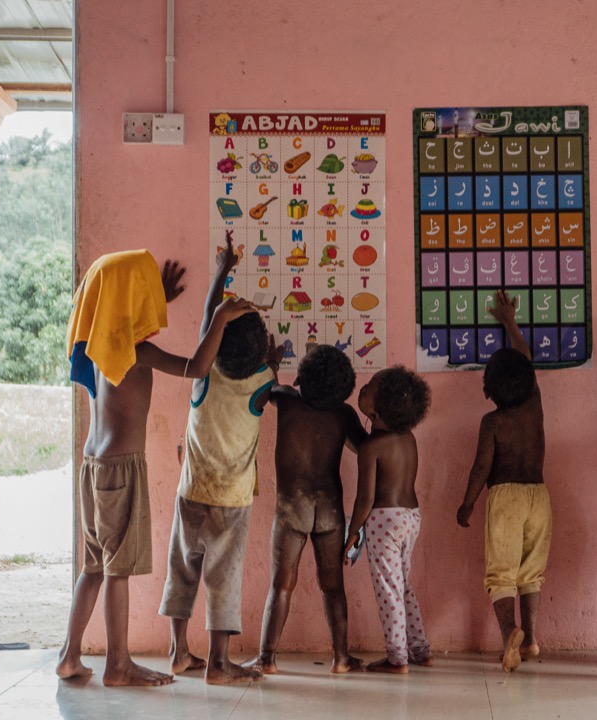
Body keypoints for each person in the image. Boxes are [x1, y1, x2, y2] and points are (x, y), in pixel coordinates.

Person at [56, 249, 253, 686]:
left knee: (92, 568)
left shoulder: (97, 345)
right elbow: (199, 367)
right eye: (143, 294)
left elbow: (121, 319)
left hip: (91, 467)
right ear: (133, 301)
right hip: (121, 470)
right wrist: (219, 317)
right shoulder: (137, 351)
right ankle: (118, 664)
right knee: (116, 571)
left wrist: (158, 296)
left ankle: (70, 657)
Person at [158, 238, 281, 684]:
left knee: (183, 569)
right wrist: (274, 361)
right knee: (222, 578)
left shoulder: (202, 370)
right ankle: (218, 663)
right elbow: (272, 380)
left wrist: (223, 270)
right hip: (232, 499)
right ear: (260, 350)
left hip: (192, 490)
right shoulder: (264, 381)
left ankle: (177, 651)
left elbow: (210, 319)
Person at [247, 345, 367, 674]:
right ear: (343, 392)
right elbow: (364, 449)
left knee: (281, 585)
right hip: (330, 510)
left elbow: (267, 386)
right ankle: (341, 657)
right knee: (333, 587)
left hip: (291, 510)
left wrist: (271, 361)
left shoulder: (286, 399)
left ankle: (267, 658)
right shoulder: (344, 415)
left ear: (300, 377)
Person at [457, 289, 550, 673]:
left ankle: (509, 631)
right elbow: (524, 355)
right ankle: (530, 638)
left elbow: (481, 467)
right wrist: (510, 322)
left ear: (488, 388)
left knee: (501, 573)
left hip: (506, 497)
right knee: (531, 571)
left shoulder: (492, 422)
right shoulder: (535, 403)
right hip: (540, 497)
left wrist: (467, 503)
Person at [345, 366, 433, 674]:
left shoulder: (371, 448)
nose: (363, 387)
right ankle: (421, 649)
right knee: (403, 585)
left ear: (378, 410)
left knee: (388, 588)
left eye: (368, 387)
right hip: (411, 518)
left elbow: (365, 500)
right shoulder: (408, 438)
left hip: (384, 520)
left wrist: (353, 532)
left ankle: (398, 657)